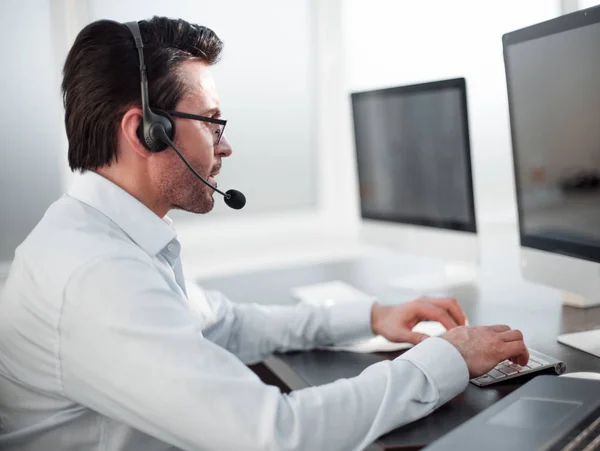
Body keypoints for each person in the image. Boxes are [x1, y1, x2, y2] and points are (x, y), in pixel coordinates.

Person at [0, 16, 529, 451]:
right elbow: (275, 435)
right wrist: (448, 357)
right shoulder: (96, 275)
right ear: (145, 131)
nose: (224, 146)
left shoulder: (109, 235)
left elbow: (225, 325)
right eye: (210, 122)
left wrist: (371, 316)